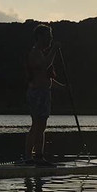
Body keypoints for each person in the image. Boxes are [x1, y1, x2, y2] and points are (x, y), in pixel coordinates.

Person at [24, 24, 60, 165]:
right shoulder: (35, 53)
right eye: (48, 36)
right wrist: (55, 50)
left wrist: (64, 87)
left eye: (51, 37)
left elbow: (47, 79)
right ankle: (31, 157)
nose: (50, 39)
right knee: (37, 125)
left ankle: (37, 156)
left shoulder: (40, 53)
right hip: (37, 93)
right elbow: (45, 65)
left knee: (41, 125)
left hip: (43, 92)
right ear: (40, 37)